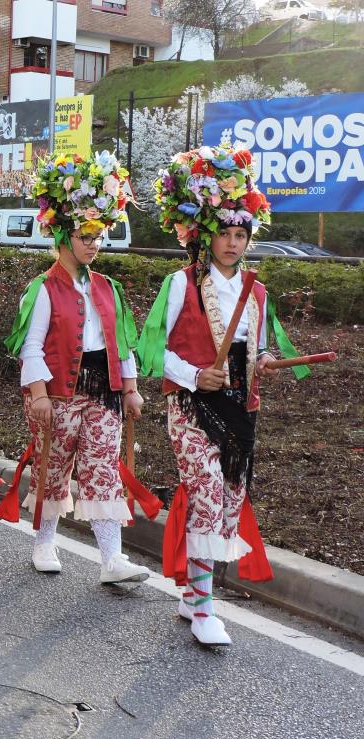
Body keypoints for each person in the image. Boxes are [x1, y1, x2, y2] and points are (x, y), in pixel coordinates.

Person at [137, 142, 304, 646]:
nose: (233, 243)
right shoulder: (181, 284)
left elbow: (258, 345)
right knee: (207, 492)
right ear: (207, 236)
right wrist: (194, 376)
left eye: (240, 234)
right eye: (225, 234)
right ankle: (206, 608)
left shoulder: (257, 291)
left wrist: (264, 360)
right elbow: (151, 349)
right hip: (192, 406)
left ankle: (192, 595)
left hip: (239, 408)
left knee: (230, 498)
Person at [1, 151, 151, 584]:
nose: (93, 244)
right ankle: (44, 542)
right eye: (85, 236)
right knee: (54, 467)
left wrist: (131, 388)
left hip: (104, 389)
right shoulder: (43, 288)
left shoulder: (108, 287)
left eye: (98, 236)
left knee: (102, 466)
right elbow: (31, 346)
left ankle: (112, 559)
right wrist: (39, 395)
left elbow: (122, 344)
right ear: (63, 235)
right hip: (58, 392)